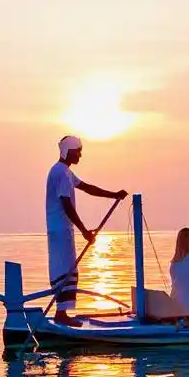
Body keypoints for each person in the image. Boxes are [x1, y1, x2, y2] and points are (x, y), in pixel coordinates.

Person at [45, 135, 127, 325]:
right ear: (68, 151)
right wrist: (83, 230)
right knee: (65, 269)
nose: (80, 155)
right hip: (60, 230)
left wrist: (114, 195)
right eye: (78, 151)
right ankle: (61, 315)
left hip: (62, 229)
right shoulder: (60, 173)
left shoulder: (64, 172)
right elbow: (66, 204)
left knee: (69, 269)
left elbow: (87, 188)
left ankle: (62, 313)